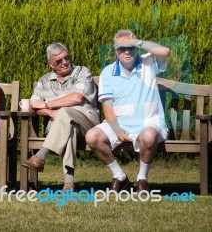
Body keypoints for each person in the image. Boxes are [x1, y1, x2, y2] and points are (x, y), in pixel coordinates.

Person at [85, 29, 170, 193]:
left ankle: (142, 179)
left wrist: (136, 41)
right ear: (116, 50)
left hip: (149, 122)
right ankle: (120, 177)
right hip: (119, 123)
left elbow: (165, 51)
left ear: (136, 48)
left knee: (149, 135)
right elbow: (107, 106)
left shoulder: (148, 62)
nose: (126, 51)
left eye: (130, 47)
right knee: (92, 136)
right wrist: (116, 128)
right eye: (121, 48)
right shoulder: (108, 72)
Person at [22, 42, 100, 191]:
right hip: (61, 124)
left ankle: (40, 156)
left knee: (64, 112)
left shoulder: (82, 72)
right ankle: (68, 183)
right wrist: (50, 112)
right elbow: (34, 104)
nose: (65, 62)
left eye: (67, 58)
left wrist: (47, 104)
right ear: (51, 64)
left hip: (87, 122)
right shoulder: (45, 80)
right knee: (69, 127)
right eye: (59, 61)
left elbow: (77, 98)